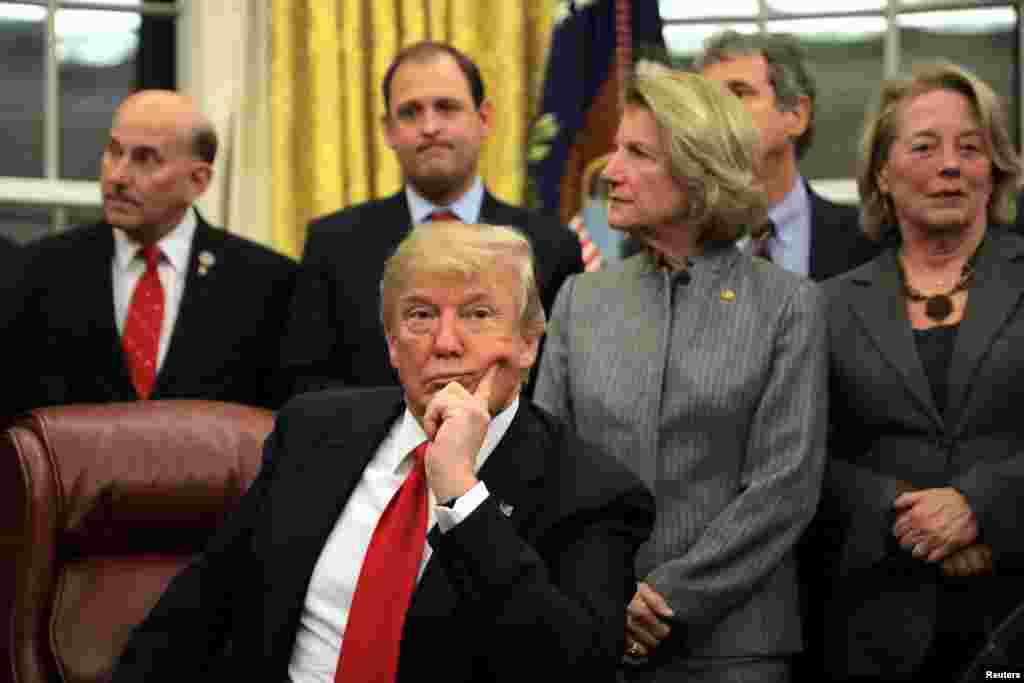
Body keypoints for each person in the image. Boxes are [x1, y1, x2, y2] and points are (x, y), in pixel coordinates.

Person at [111, 221, 655, 683]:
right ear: (393, 345)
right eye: (420, 316)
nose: (445, 342)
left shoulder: (591, 490)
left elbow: (570, 669)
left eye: (477, 314)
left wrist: (462, 497)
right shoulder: (314, 433)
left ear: (528, 342)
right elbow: (199, 607)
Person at [534, 63, 827, 682]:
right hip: (596, 636)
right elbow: (547, 468)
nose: (610, 171)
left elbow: (785, 486)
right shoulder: (578, 302)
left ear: (699, 175)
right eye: (616, 149)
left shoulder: (788, 305)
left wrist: (669, 599)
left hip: (736, 646)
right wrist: (607, 597)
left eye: (637, 153)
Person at [817, 61, 1024, 682]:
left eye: (971, 147)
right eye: (925, 146)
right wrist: (908, 518)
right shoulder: (825, 305)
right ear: (882, 171)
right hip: (874, 624)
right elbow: (799, 456)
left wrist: (981, 506)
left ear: (996, 170)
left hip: (1015, 609)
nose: (952, 165)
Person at [281, 41, 583, 395]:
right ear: (388, 130)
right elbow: (305, 389)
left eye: (447, 108)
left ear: (484, 119)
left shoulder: (551, 247)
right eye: (410, 112)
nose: (429, 126)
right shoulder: (333, 244)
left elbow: (561, 389)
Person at [4, 91, 297, 418]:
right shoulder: (38, 270)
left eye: (145, 159)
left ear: (197, 181)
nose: (117, 177)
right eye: (114, 153)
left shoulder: (267, 284)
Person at [696, 31, 879, 280]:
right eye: (707, 100)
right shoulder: (673, 247)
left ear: (796, 115)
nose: (718, 112)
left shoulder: (870, 242)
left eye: (739, 93)